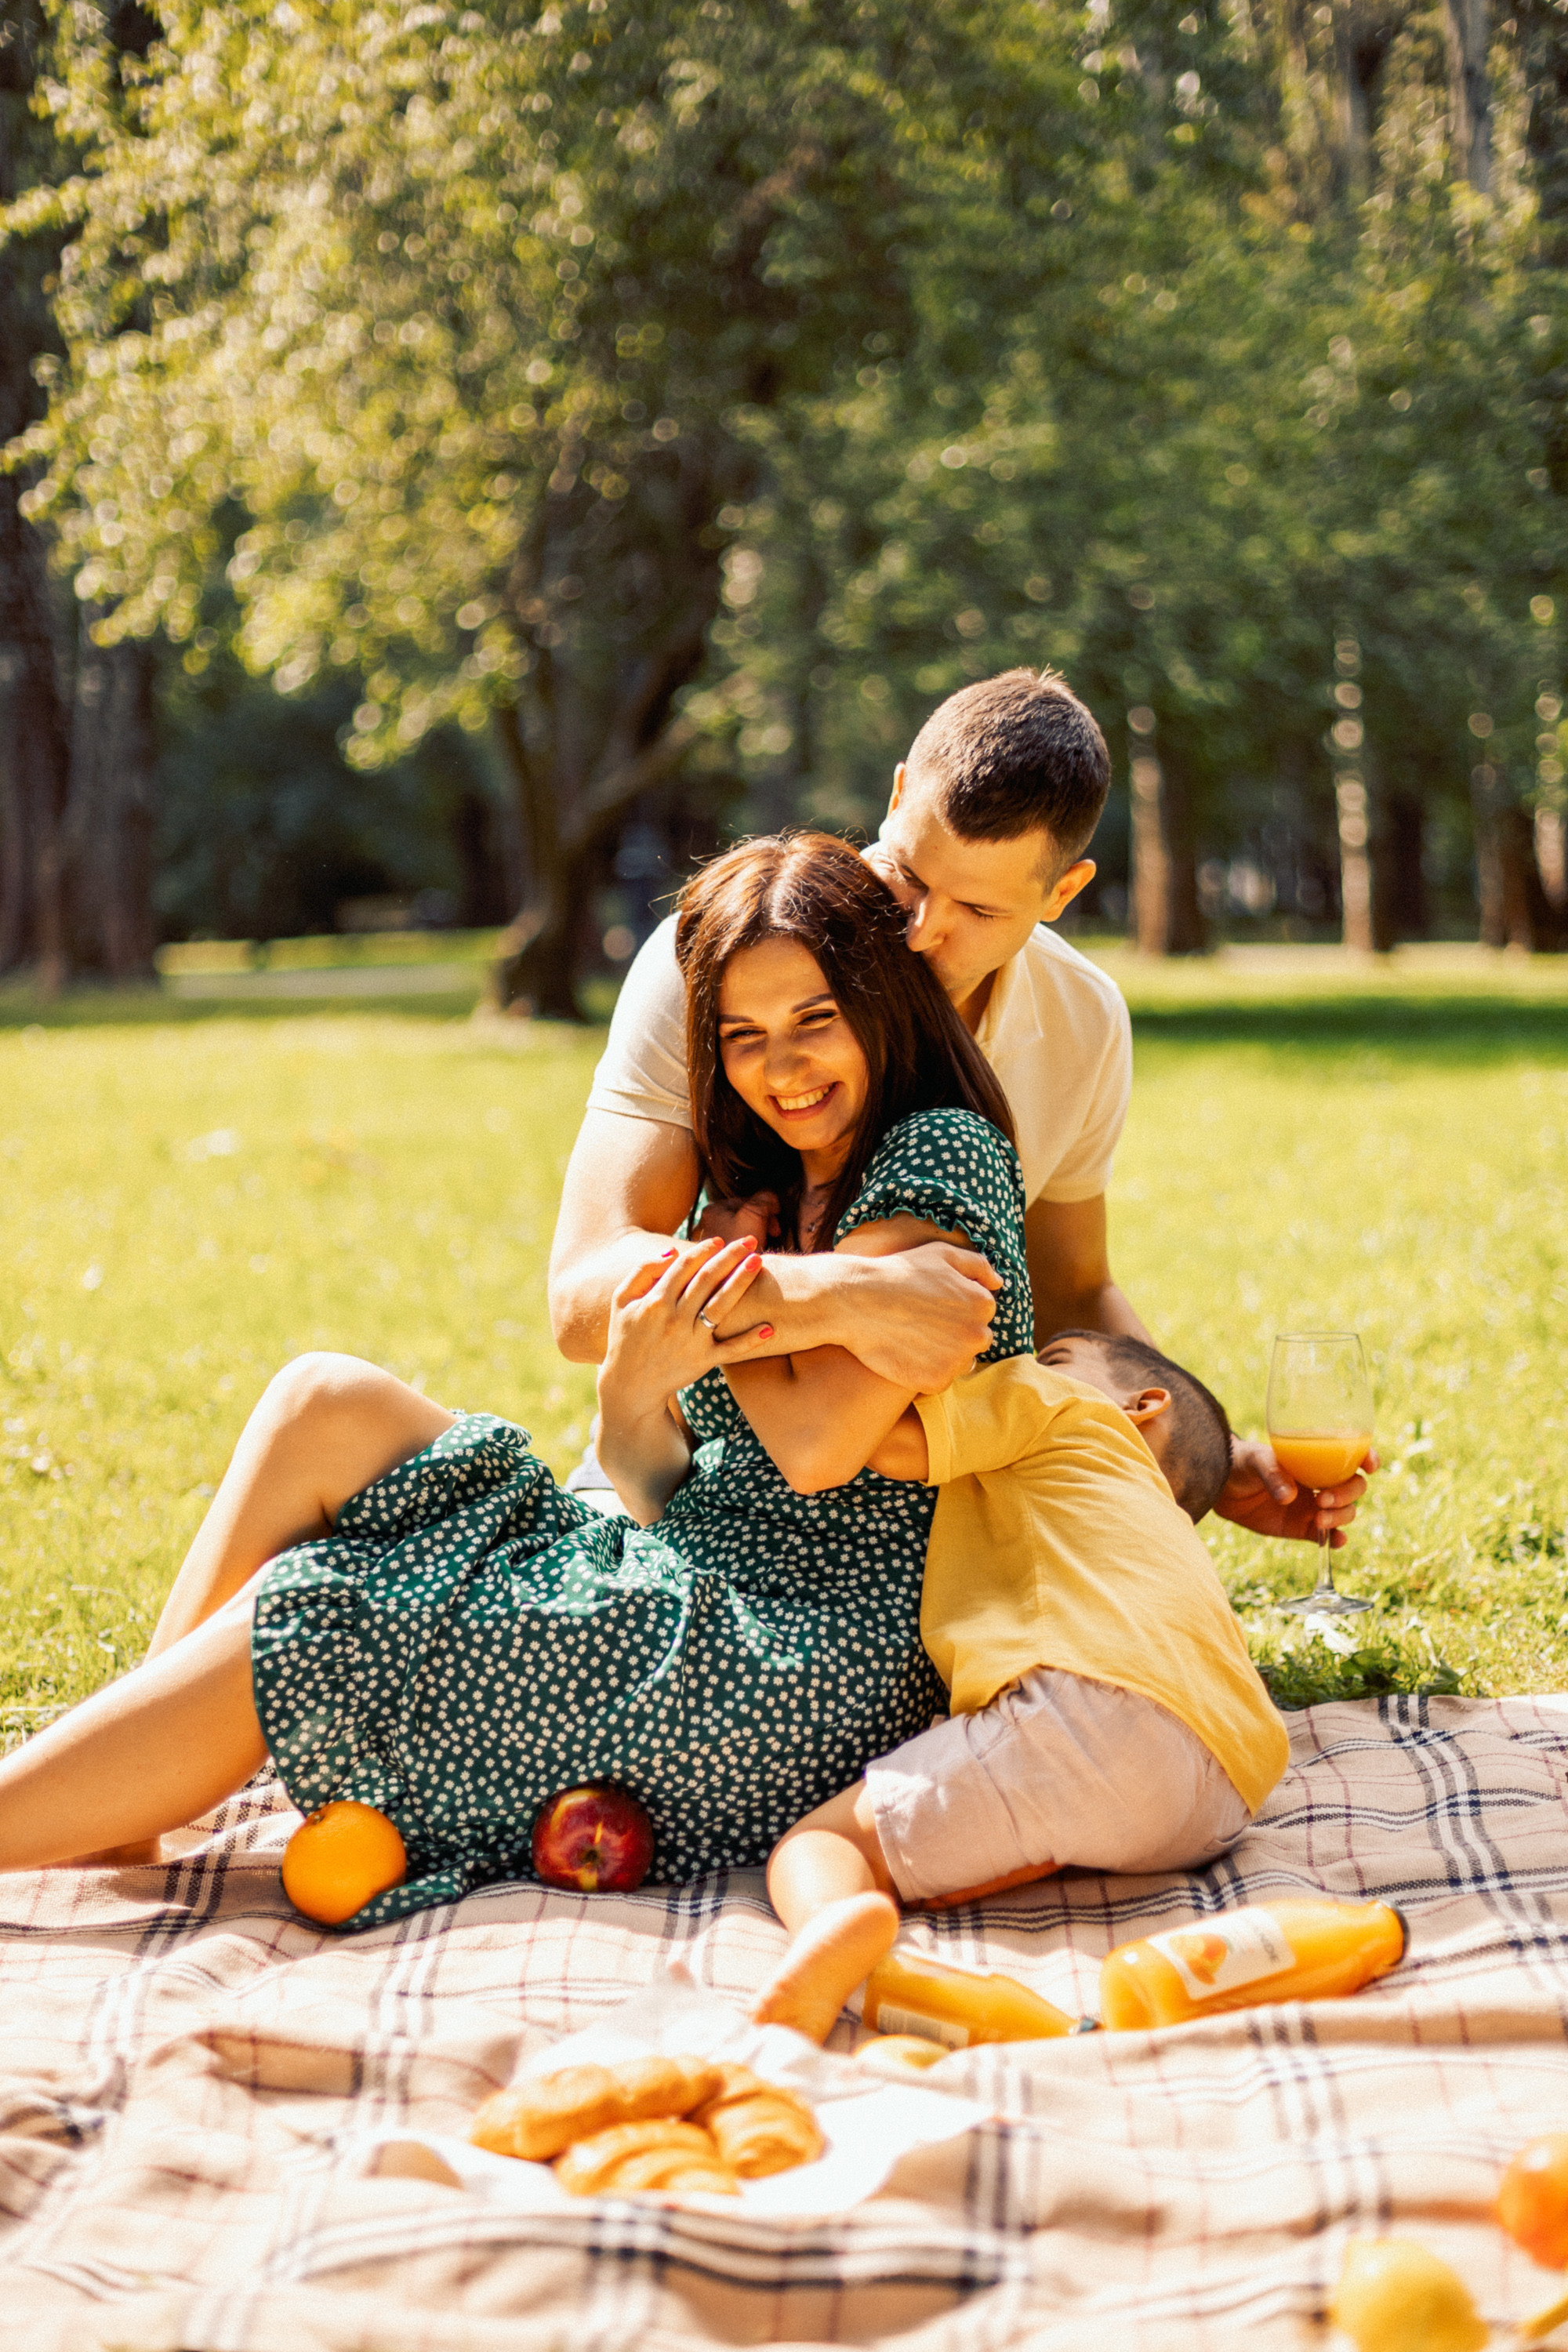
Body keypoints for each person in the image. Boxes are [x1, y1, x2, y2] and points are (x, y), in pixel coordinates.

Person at [0, 837, 1036, 1916]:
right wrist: (821, 1295)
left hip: (793, 1666)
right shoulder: (773, 1197)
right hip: (680, 1568)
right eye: (743, 1037)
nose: (782, 1069)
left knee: (322, 1610)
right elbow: (673, 1464)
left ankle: (72, 1794)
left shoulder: (939, 1152)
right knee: (325, 1401)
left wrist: (734, 1283)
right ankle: (123, 1779)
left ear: (882, 1001)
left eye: (815, 1020)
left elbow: (819, 1450)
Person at [548, 667, 1367, 1550]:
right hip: (686, 1472)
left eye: (977, 907)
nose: (919, 929)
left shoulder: (1079, 1021)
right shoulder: (722, 963)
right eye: (907, 875)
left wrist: (1203, 1458)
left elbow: (1072, 1287)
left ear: (1062, 894)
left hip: (924, 1511)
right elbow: (583, 1297)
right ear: (898, 792)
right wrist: (847, 1295)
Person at [750, 1328, 1293, 2044]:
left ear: (1142, 1406)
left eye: (1055, 1353)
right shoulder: (1157, 1523)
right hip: (1226, 1796)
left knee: (820, 1846)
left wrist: (751, 1338)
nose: (1025, 1357)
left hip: (1095, 1714)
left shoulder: (1055, 1401)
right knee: (1070, 1793)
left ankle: (841, 1948)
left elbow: (867, 1439)